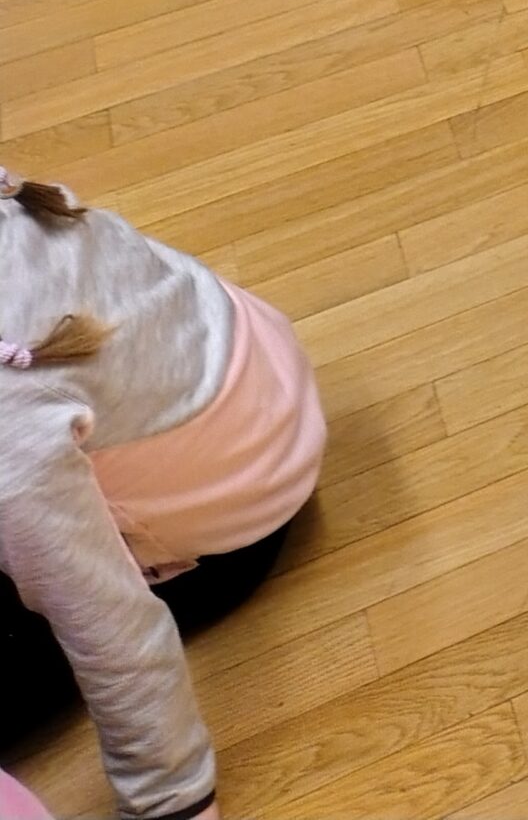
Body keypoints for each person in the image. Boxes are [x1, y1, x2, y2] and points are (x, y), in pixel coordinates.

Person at [0, 171, 326, 820]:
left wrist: (171, 802)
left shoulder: (11, 426)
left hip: (229, 526)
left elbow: (112, 628)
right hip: (234, 367)